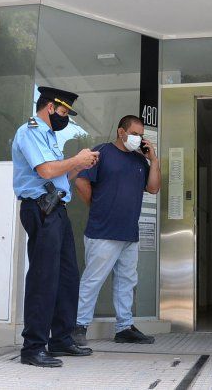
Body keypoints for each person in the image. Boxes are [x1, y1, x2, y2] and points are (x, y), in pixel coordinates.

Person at [12, 86, 99, 367]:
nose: (65, 117)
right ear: (50, 107)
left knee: (67, 276)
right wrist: (75, 159)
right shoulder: (30, 130)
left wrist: (80, 165)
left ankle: (60, 338)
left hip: (56, 209)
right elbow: (46, 171)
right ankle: (33, 346)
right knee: (44, 276)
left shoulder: (49, 136)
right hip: (40, 208)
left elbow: (60, 175)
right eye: (63, 111)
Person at [72, 115, 162, 345]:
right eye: (134, 133)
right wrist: (97, 205)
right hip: (103, 230)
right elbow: (81, 181)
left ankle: (124, 328)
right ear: (121, 132)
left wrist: (153, 159)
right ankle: (79, 327)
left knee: (126, 281)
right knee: (93, 279)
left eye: (141, 135)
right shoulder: (102, 152)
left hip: (129, 233)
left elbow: (153, 188)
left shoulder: (139, 160)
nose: (138, 138)